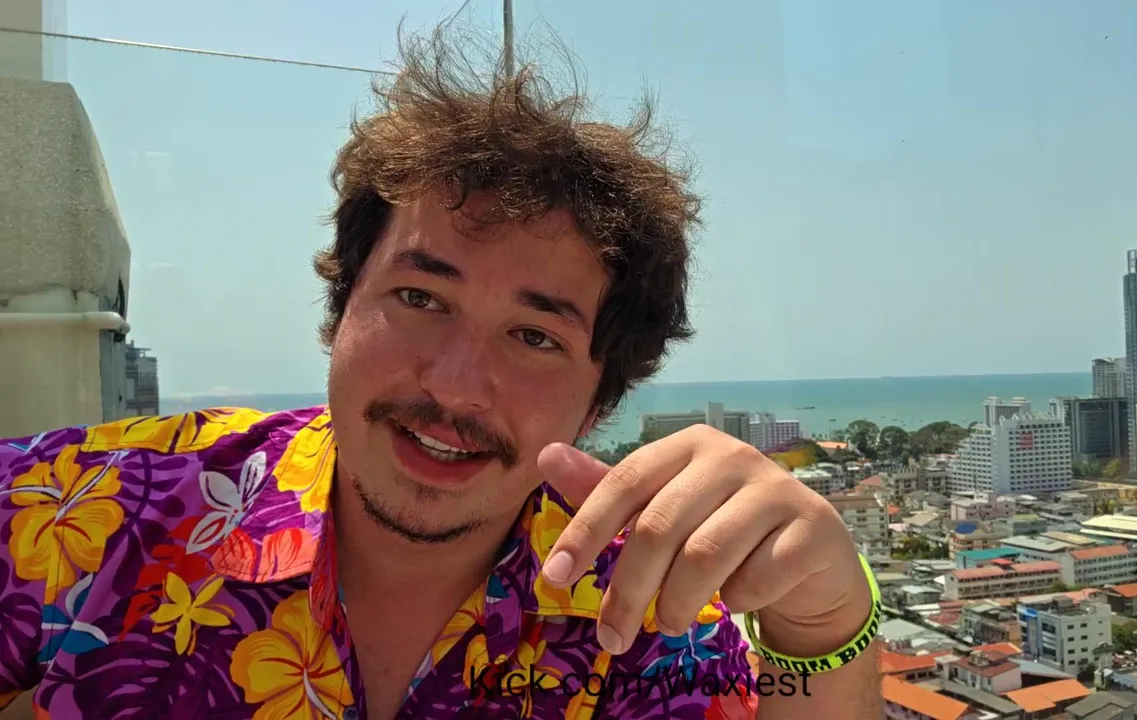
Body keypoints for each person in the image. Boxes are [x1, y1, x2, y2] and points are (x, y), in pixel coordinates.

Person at [0, 27, 881, 719]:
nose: (456, 385)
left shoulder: (649, 617)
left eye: (534, 336)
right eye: (421, 298)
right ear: (343, 303)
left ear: (597, 401)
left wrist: (823, 622)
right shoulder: (86, 510)